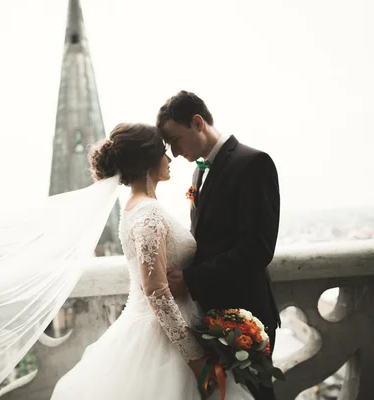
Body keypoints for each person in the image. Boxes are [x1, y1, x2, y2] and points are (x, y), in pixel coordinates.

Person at [50, 122, 254, 399]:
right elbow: (156, 291)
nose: (169, 159)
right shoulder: (148, 212)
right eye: (163, 152)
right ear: (148, 160)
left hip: (154, 328)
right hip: (164, 341)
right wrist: (194, 359)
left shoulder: (134, 206)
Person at [158, 90, 281, 400]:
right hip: (209, 314)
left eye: (175, 140)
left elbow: (257, 249)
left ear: (197, 122)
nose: (173, 152)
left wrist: (191, 280)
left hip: (247, 316)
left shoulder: (253, 163)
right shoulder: (199, 171)